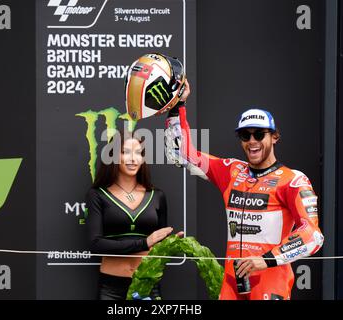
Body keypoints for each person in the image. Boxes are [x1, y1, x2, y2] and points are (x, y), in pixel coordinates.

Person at [164, 80, 324, 300]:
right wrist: (177, 106)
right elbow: (182, 155)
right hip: (232, 281)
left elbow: (313, 236)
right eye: (245, 135)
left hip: (270, 280)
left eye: (259, 134)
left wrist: (266, 259)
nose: (252, 141)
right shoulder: (231, 171)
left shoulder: (293, 180)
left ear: (274, 137)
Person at [86, 129, 181, 300]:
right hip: (111, 288)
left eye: (138, 153)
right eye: (125, 152)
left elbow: (158, 249)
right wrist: (144, 243)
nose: (133, 159)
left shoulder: (157, 196)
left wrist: (171, 244)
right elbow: (96, 244)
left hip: (147, 286)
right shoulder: (97, 195)